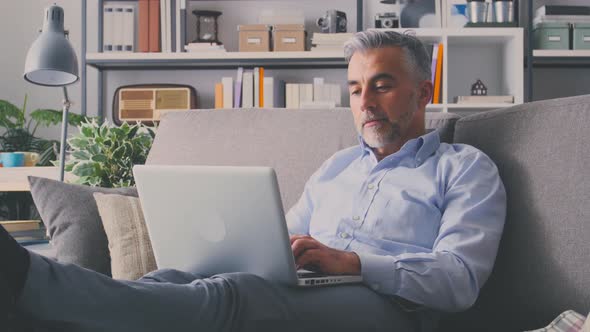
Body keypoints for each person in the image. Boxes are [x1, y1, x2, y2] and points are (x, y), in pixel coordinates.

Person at [1, 30, 506, 332]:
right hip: (314, 289)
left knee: (236, 294)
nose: (366, 102)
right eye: (354, 89)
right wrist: (274, 248)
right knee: (171, 280)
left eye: (382, 85)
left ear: (424, 92)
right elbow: (277, 240)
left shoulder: (465, 168)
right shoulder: (337, 168)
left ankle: (29, 282)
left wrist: (352, 263)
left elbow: (458, 280)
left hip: (391, 310)